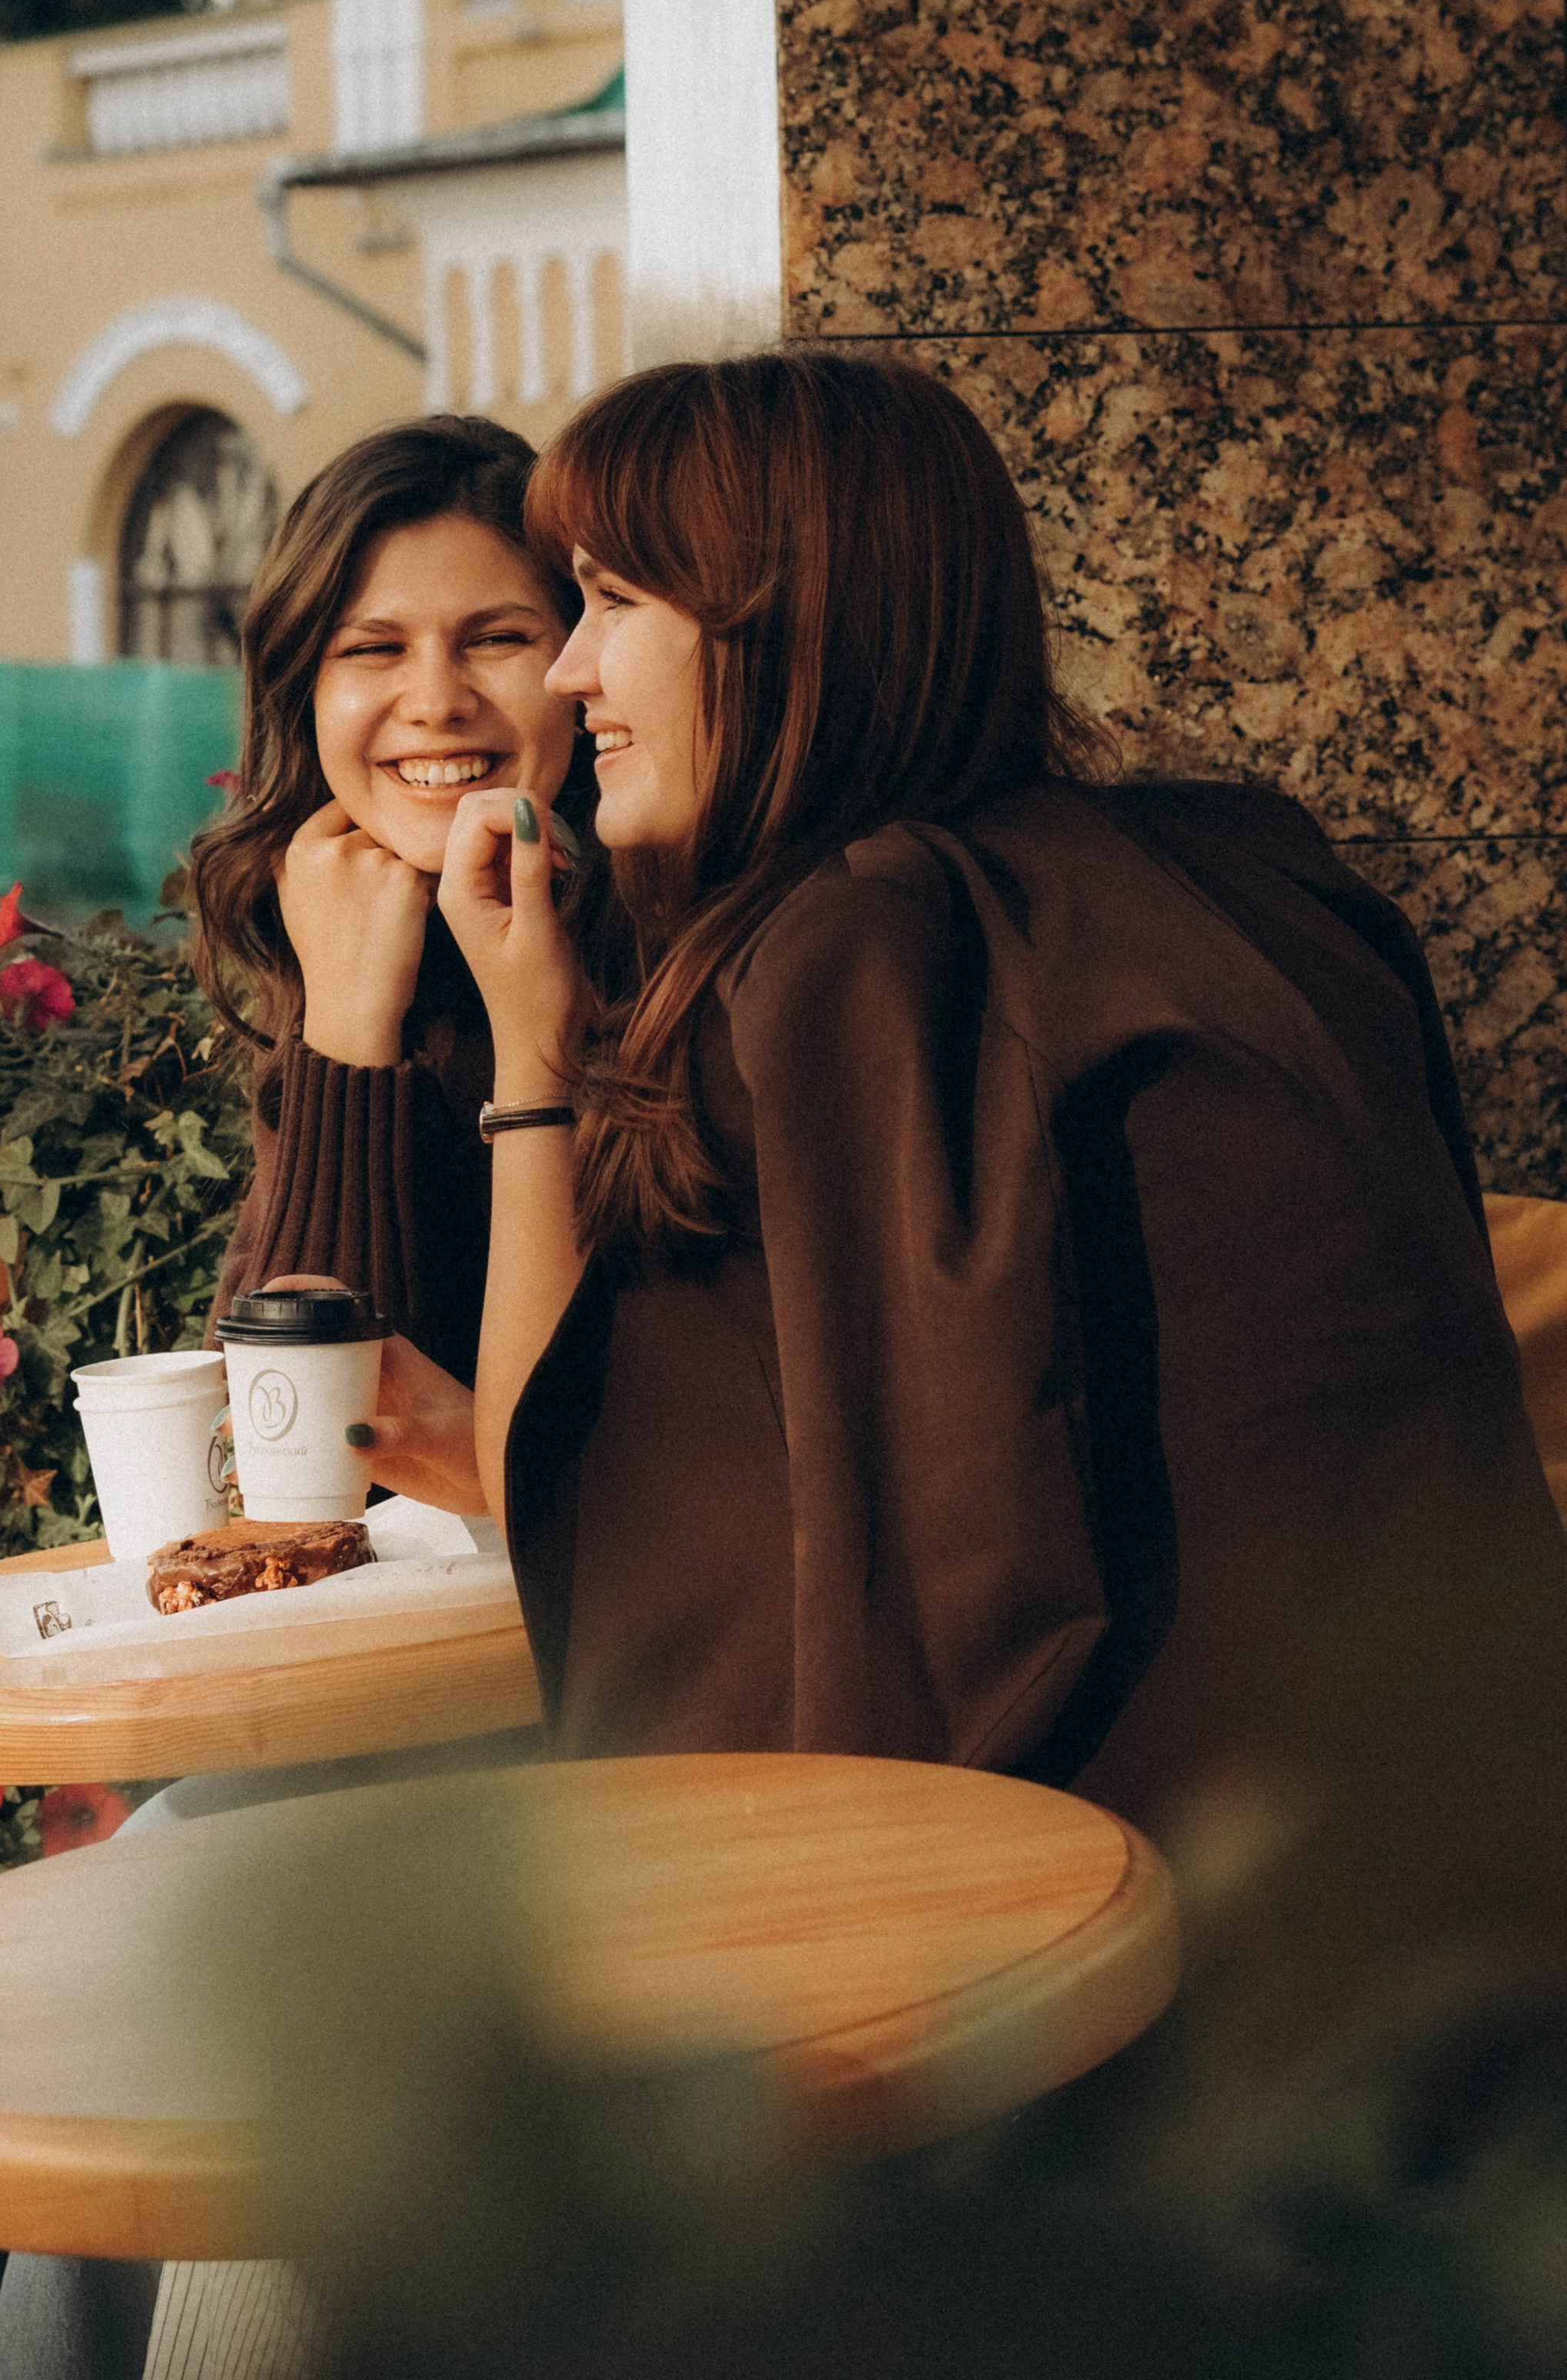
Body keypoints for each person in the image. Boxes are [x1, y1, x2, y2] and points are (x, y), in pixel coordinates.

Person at [391, 346, 1567, 1957]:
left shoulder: (870, 962)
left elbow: (644, 1541)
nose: (569, 676)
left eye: (615, 604)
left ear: (785, 617)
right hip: (1445, 1887)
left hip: (1144, 1971)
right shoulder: (1234, 875)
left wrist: (532, 1049)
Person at [0, 416, 606, 2380]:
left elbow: (336, 1453)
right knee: (139, 1926)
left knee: (228, 1935)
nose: (433, 701)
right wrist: (342, 1022)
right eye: (369, 650)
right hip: (425, 1707)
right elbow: (306, 1460)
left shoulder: (643, 960)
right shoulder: (370, 949)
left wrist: (406, 1031)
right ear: (299, 691)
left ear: (583, 657)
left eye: (495, 635)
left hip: (602, 1711)